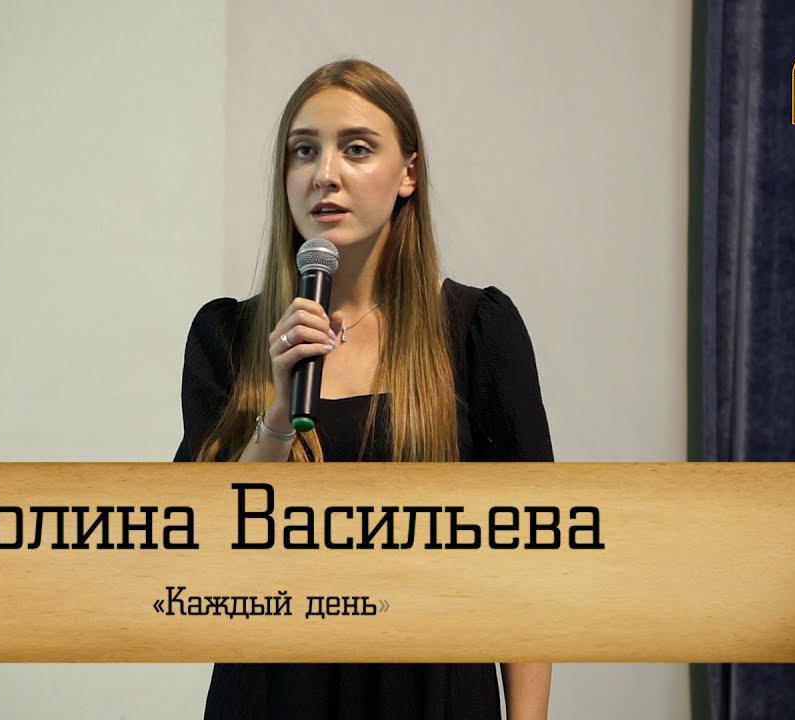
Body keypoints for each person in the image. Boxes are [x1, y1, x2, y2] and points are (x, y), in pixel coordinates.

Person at [172, 59, 553, 720]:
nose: (325, 174)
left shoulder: (477, 330)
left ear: (409, 174)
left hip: (432, 693)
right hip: (273, 695)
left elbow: (532, 560)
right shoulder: (227, 336)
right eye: (303, 151)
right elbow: (201, 545)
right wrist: (279, 411)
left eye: (355, 149)